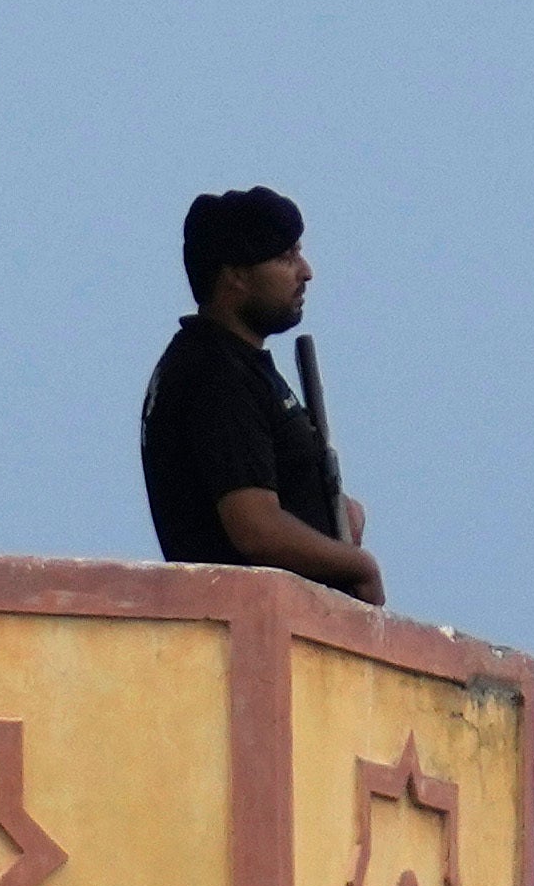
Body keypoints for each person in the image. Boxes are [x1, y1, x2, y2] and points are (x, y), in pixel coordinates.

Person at [137, 185, 381, 605]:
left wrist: (333, 513)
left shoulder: (234, 364)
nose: (305, 271)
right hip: (251, 626)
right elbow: (256, 528)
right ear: (235, 275)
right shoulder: (215, 373)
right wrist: (358, 565)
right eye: (285, 257)